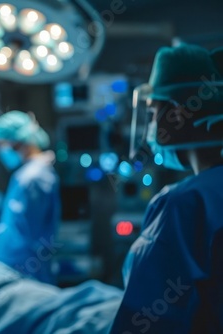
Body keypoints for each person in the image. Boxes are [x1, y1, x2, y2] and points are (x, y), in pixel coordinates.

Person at [111, 44, 223, 333]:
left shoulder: (186, 203)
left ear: (176, 113)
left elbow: (142, 321)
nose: (151, 125)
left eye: (153, 111)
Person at [0, 110, 61, 285]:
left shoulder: (31, 178)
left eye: (2, 145)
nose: (2, 151)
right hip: (31, 269)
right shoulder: (37, 173)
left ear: (17, 143)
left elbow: (18, 237)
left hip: (26, 273)